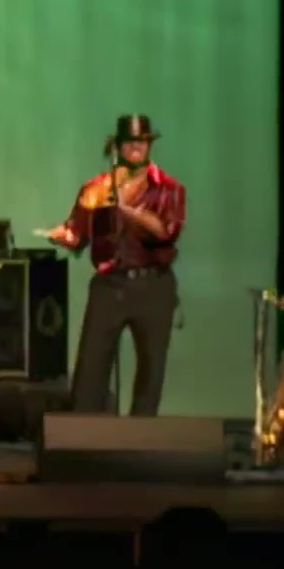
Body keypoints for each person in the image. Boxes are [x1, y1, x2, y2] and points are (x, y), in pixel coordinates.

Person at [45, 115, 186, 415]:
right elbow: (78, 234)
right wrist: (64, 236)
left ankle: (141, 434)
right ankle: (84, 430)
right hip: (110, 285)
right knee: (91, 367)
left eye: (142, 142)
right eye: (130, 142)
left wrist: (128, 210)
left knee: (151, 368)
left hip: (153, 284)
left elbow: (166, 231)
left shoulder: (168, 189)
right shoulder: (97, 189)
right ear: (118, 146)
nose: (136, 147)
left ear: (149, 146)